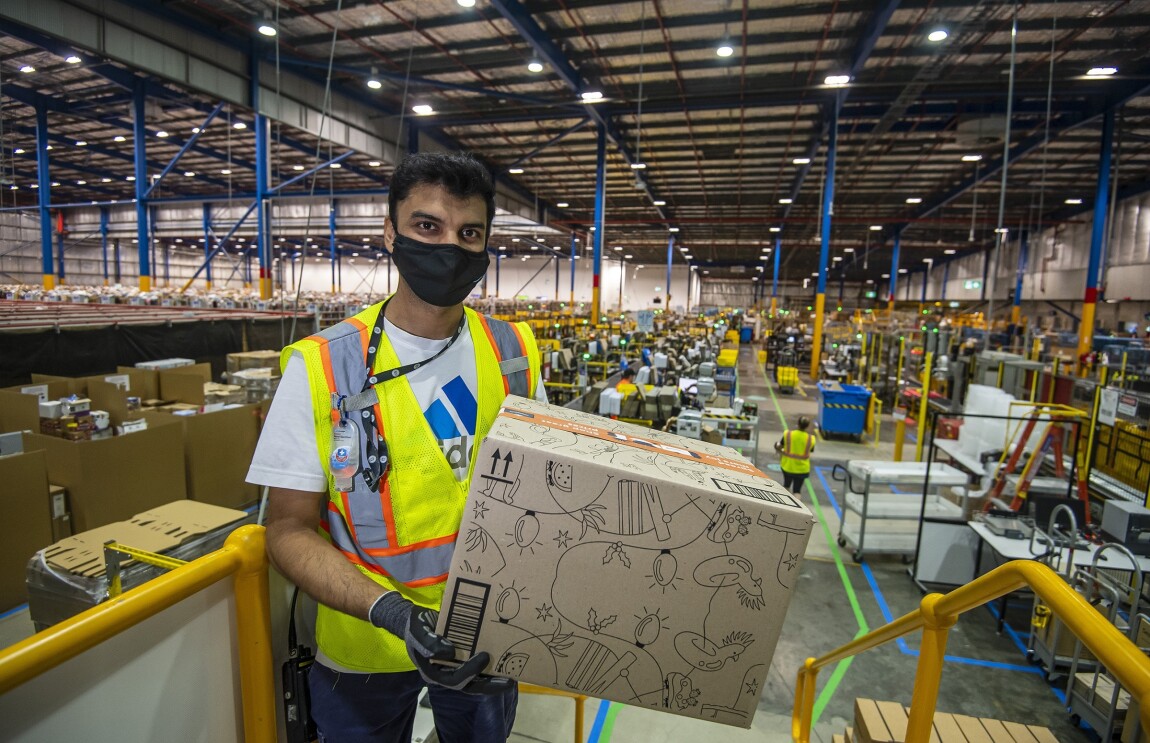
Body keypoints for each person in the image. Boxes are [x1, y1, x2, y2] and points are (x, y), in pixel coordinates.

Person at [247, 151, 547, 743]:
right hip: (366, 640)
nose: (449, 247)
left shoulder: (513, 352)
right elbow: (286, 531)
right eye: (427, 227)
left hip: (485, 638)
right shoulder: (322, 366)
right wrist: (392, 613)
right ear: (390, 233)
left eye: (470, 234)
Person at [774, 416, 815, 494]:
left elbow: (780, 446)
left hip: (788, 466)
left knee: (786, 486)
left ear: (798, 424)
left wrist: (777, 447)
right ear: (807, 426)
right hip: (802, 469)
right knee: (797, 490)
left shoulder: (788, 434)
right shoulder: (811, 439)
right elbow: (811, 450)